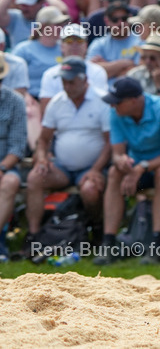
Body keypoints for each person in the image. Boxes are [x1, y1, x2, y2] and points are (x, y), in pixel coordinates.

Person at [93, 78, 160, 266]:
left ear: (133, 101)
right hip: (139, 166)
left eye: (117, 102)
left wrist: (141, 167)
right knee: (114, 172)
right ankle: (108, 243)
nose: (113, 106)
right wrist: (121, 161)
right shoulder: (116, 113)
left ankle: (157, 243)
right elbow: (117, 153)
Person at [24, 57, 110, 251]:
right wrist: (42, 158)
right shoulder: (57, 102)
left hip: (92, 165)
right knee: (34, 178)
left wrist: (96, 169)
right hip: (62, 167)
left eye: (71, 81)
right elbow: (43, 139)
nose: (67, 86)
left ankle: (97, 227)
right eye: (64, 81)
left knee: (90, 189)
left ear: (84, 79)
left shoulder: (102, 101)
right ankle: (33, 235)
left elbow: (110, 142)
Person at [0, 53, 27, 262]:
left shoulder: (15, 101)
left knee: (9, 182)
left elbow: (17, 146)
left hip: (5, 166)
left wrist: (1, 168)